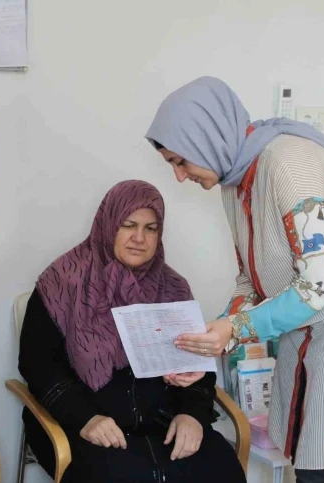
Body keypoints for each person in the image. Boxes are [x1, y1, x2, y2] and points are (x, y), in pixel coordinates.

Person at [145, 77, 324, 482]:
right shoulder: (233, 182)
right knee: (306, 447)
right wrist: (213, 343)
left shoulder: (290, 164)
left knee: (323, 461)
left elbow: (317, 286)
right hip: (306, 321)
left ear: (206, 138)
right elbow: (249, 279)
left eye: (180, 161)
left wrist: (233, 329)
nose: (179, 177)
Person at [18, 180, 246, 483]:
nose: (139, 238)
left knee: (220, 467)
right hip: (85, 424)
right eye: (128, 225)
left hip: (163, 423)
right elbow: (38, 364)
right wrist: (84, 418)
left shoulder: (173, 287)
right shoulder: (61, 283)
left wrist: (192, 414)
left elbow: (195, 364)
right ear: (108, 224)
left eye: (151, 229)